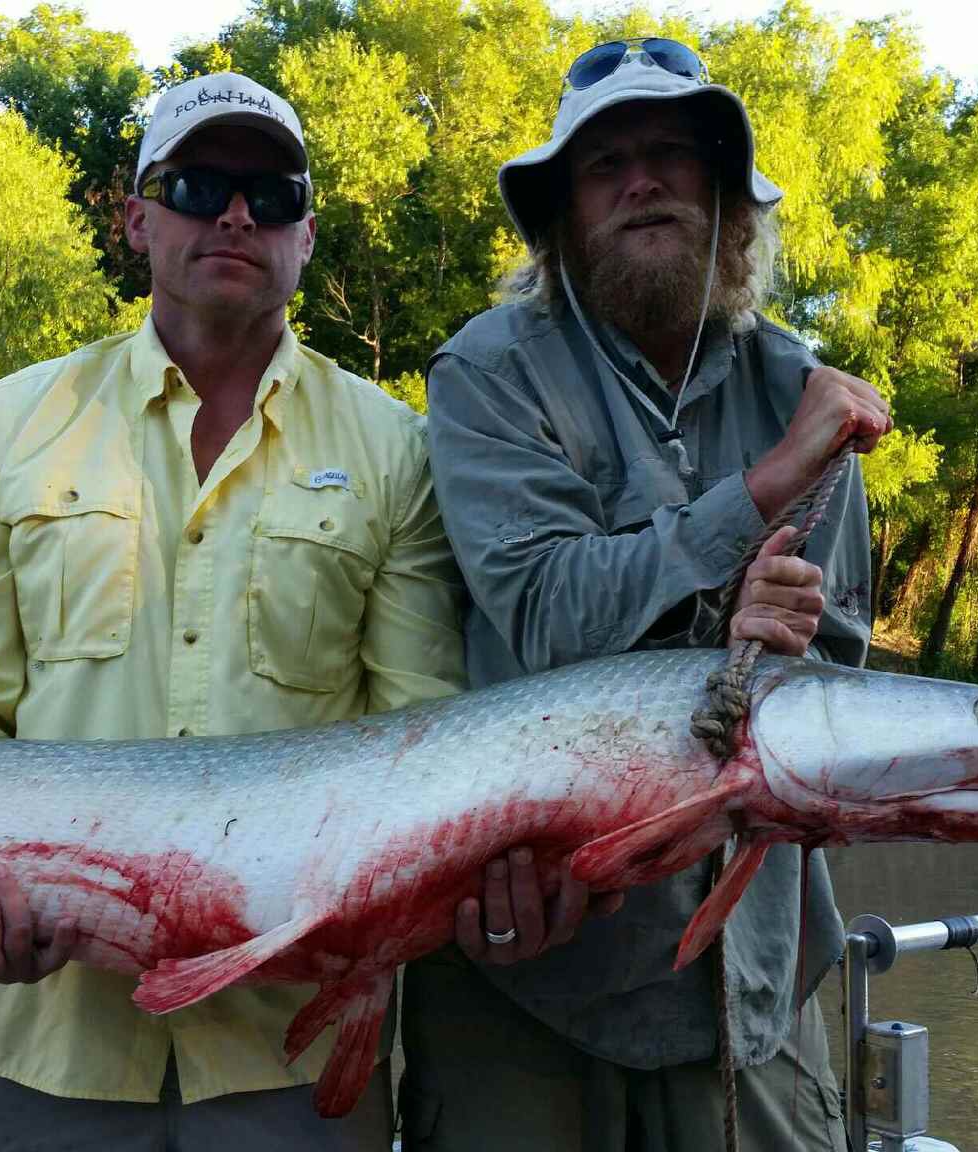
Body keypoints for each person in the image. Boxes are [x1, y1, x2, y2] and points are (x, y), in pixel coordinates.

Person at [0, 71, 466, 1151]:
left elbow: (419, 746)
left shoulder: (397, 451)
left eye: (271, 195)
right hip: (41, 1043)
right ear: (137, 219)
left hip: (288, 1049)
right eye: (198, 185)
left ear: (306, 237)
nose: (235, 214)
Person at [402, 37, 892, 1152]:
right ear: (561, 216)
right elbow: (541, 611)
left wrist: (779, 649)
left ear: (727, 201)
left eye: (673, 153)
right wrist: (758, 500)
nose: (641, 181)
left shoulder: (802, 389)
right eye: (603, 161)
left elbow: (833, 691)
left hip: (749, 986)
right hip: (521, 972)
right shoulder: (484, 373)